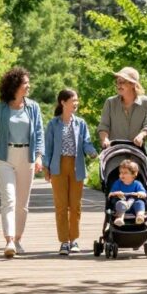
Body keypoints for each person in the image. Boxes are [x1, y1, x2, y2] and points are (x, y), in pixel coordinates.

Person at [0, 67, 44, 258]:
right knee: (8, 200)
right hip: (5, 156)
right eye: (25, 83)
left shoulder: (33, 107)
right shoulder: (0, 109)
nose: (28, 86)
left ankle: (18, 239)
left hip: (26, 156)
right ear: (15, 85)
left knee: (22, 203)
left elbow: (40, 134)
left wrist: (38, 156)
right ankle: (9, 240)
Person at [44, 89, 98, 256]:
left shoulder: (80, 123)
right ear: (63, 102)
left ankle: (74, 239)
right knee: (61, 206)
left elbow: (86, 143)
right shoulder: (53, 124)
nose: (76, 103)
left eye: (77, 100)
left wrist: (93, 152)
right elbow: (48, 147)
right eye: (73, 100)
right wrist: (46, 168)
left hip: (77, 166)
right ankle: (64, 242)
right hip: (58, 167)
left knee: (75, 206)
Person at [97, 66, 147, 172]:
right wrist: (105, 139)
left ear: (133, 84)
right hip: (114, 155)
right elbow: (104, 126)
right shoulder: (110, 102)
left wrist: (141, 136)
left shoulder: (146, 103)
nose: (119, 85)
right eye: (117, 82)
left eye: (122, 82)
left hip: (137, 155)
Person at [108, 159, 147, 227]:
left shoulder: (137, 184)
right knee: (118, 202)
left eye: (125, 173)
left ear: (134, 174)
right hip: (121, 204)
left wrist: (140, 193)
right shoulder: (118, 183)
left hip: (133, 207)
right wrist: (116, 193)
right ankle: (120, 218)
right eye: (121, 172)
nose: (122, 174)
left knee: (140, 202)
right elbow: (110, 194)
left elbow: (144, 194)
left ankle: (140, 216)